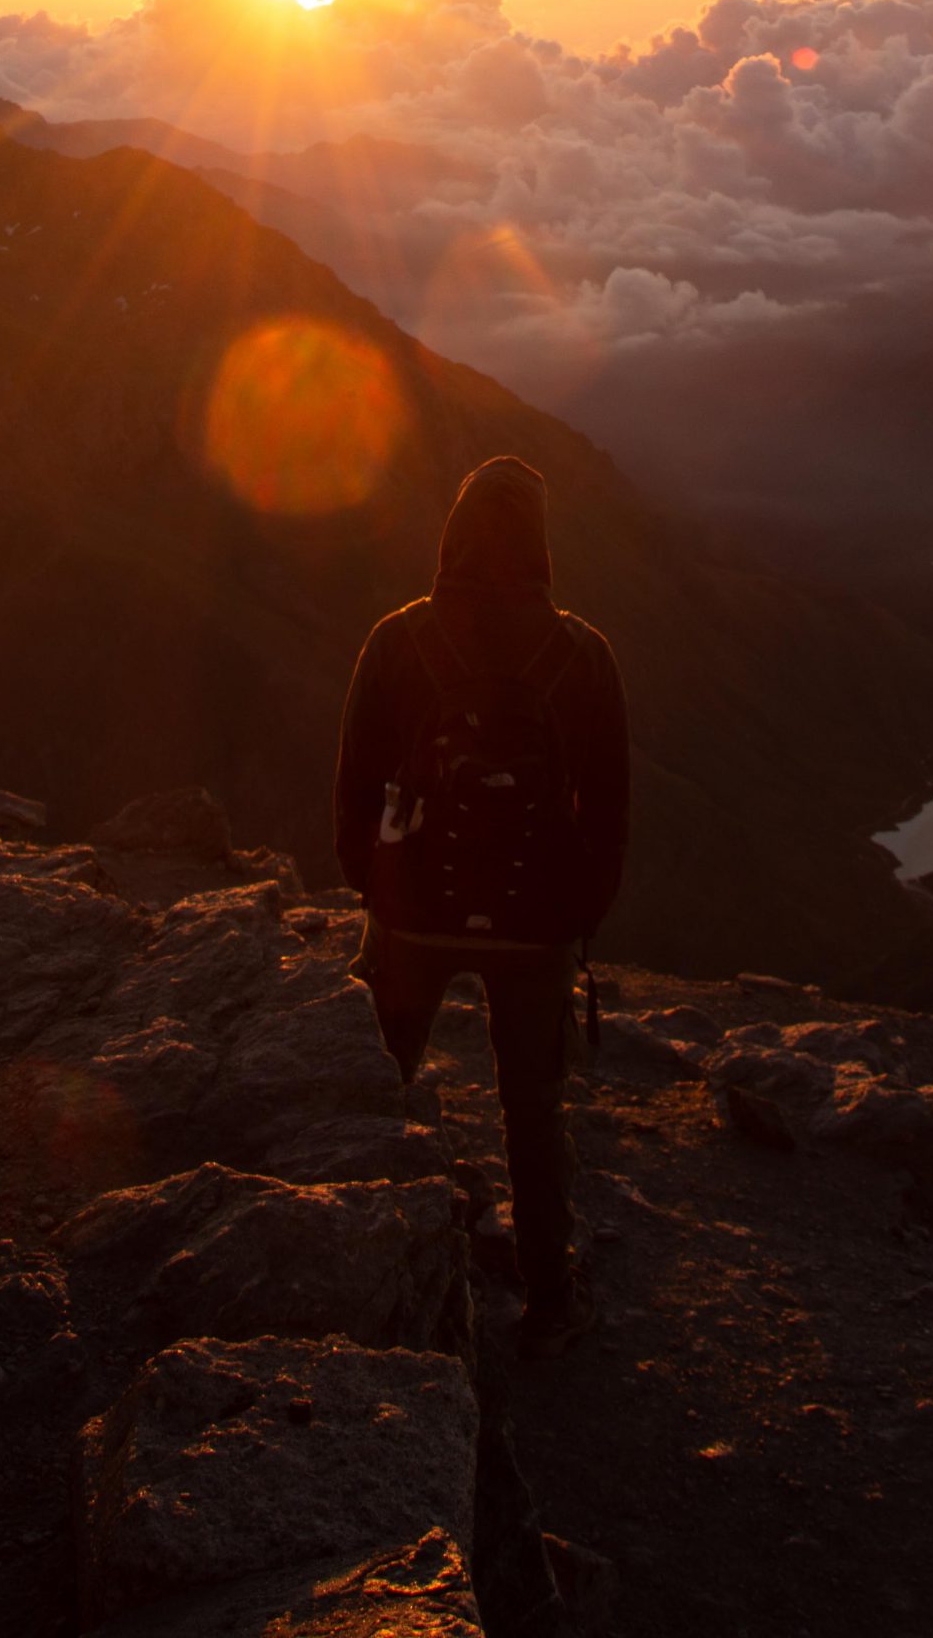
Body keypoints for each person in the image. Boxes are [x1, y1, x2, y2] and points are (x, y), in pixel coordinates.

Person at [334, 455, 630, 1358]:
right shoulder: (580, 654)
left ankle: (352, 1268)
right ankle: (549, 1298)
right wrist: (578, 916)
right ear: (538, 543)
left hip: (415, 911)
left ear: (452, 534)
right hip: (537, 923)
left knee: (378, 1088)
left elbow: (352, 788)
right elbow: (609, 808)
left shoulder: (398, 640)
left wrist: (377, 891)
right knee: (532, 1113)